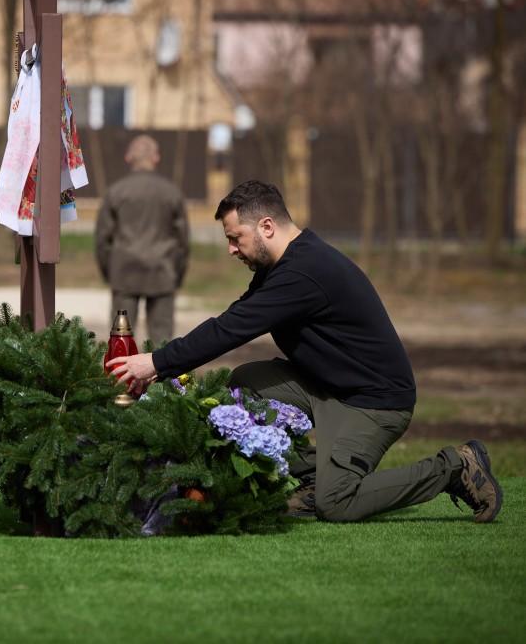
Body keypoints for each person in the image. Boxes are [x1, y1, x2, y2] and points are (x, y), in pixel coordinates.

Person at [106, 179, 503, 524]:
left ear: (266, 226)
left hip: (373, 402)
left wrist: (155, 363)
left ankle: (454, 466)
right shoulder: (280, 267)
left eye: (234, 238)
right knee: (247, 384)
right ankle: (313, 477)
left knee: (337, 504)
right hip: (326, 387)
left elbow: (229, 330)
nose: (231, 249)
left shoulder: (301, 273)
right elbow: (235, 317)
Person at [95, 134, 189, 344]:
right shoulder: (172, 192)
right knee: (162, 342)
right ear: (156, 158)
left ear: (129, 158)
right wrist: (177, 274)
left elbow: (102, 239)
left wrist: (109, 272)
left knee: (121, 341)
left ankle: (120, 378)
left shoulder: (116, 191)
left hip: (124, 273)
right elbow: (183, 241)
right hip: (162, 272)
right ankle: (164, 378)